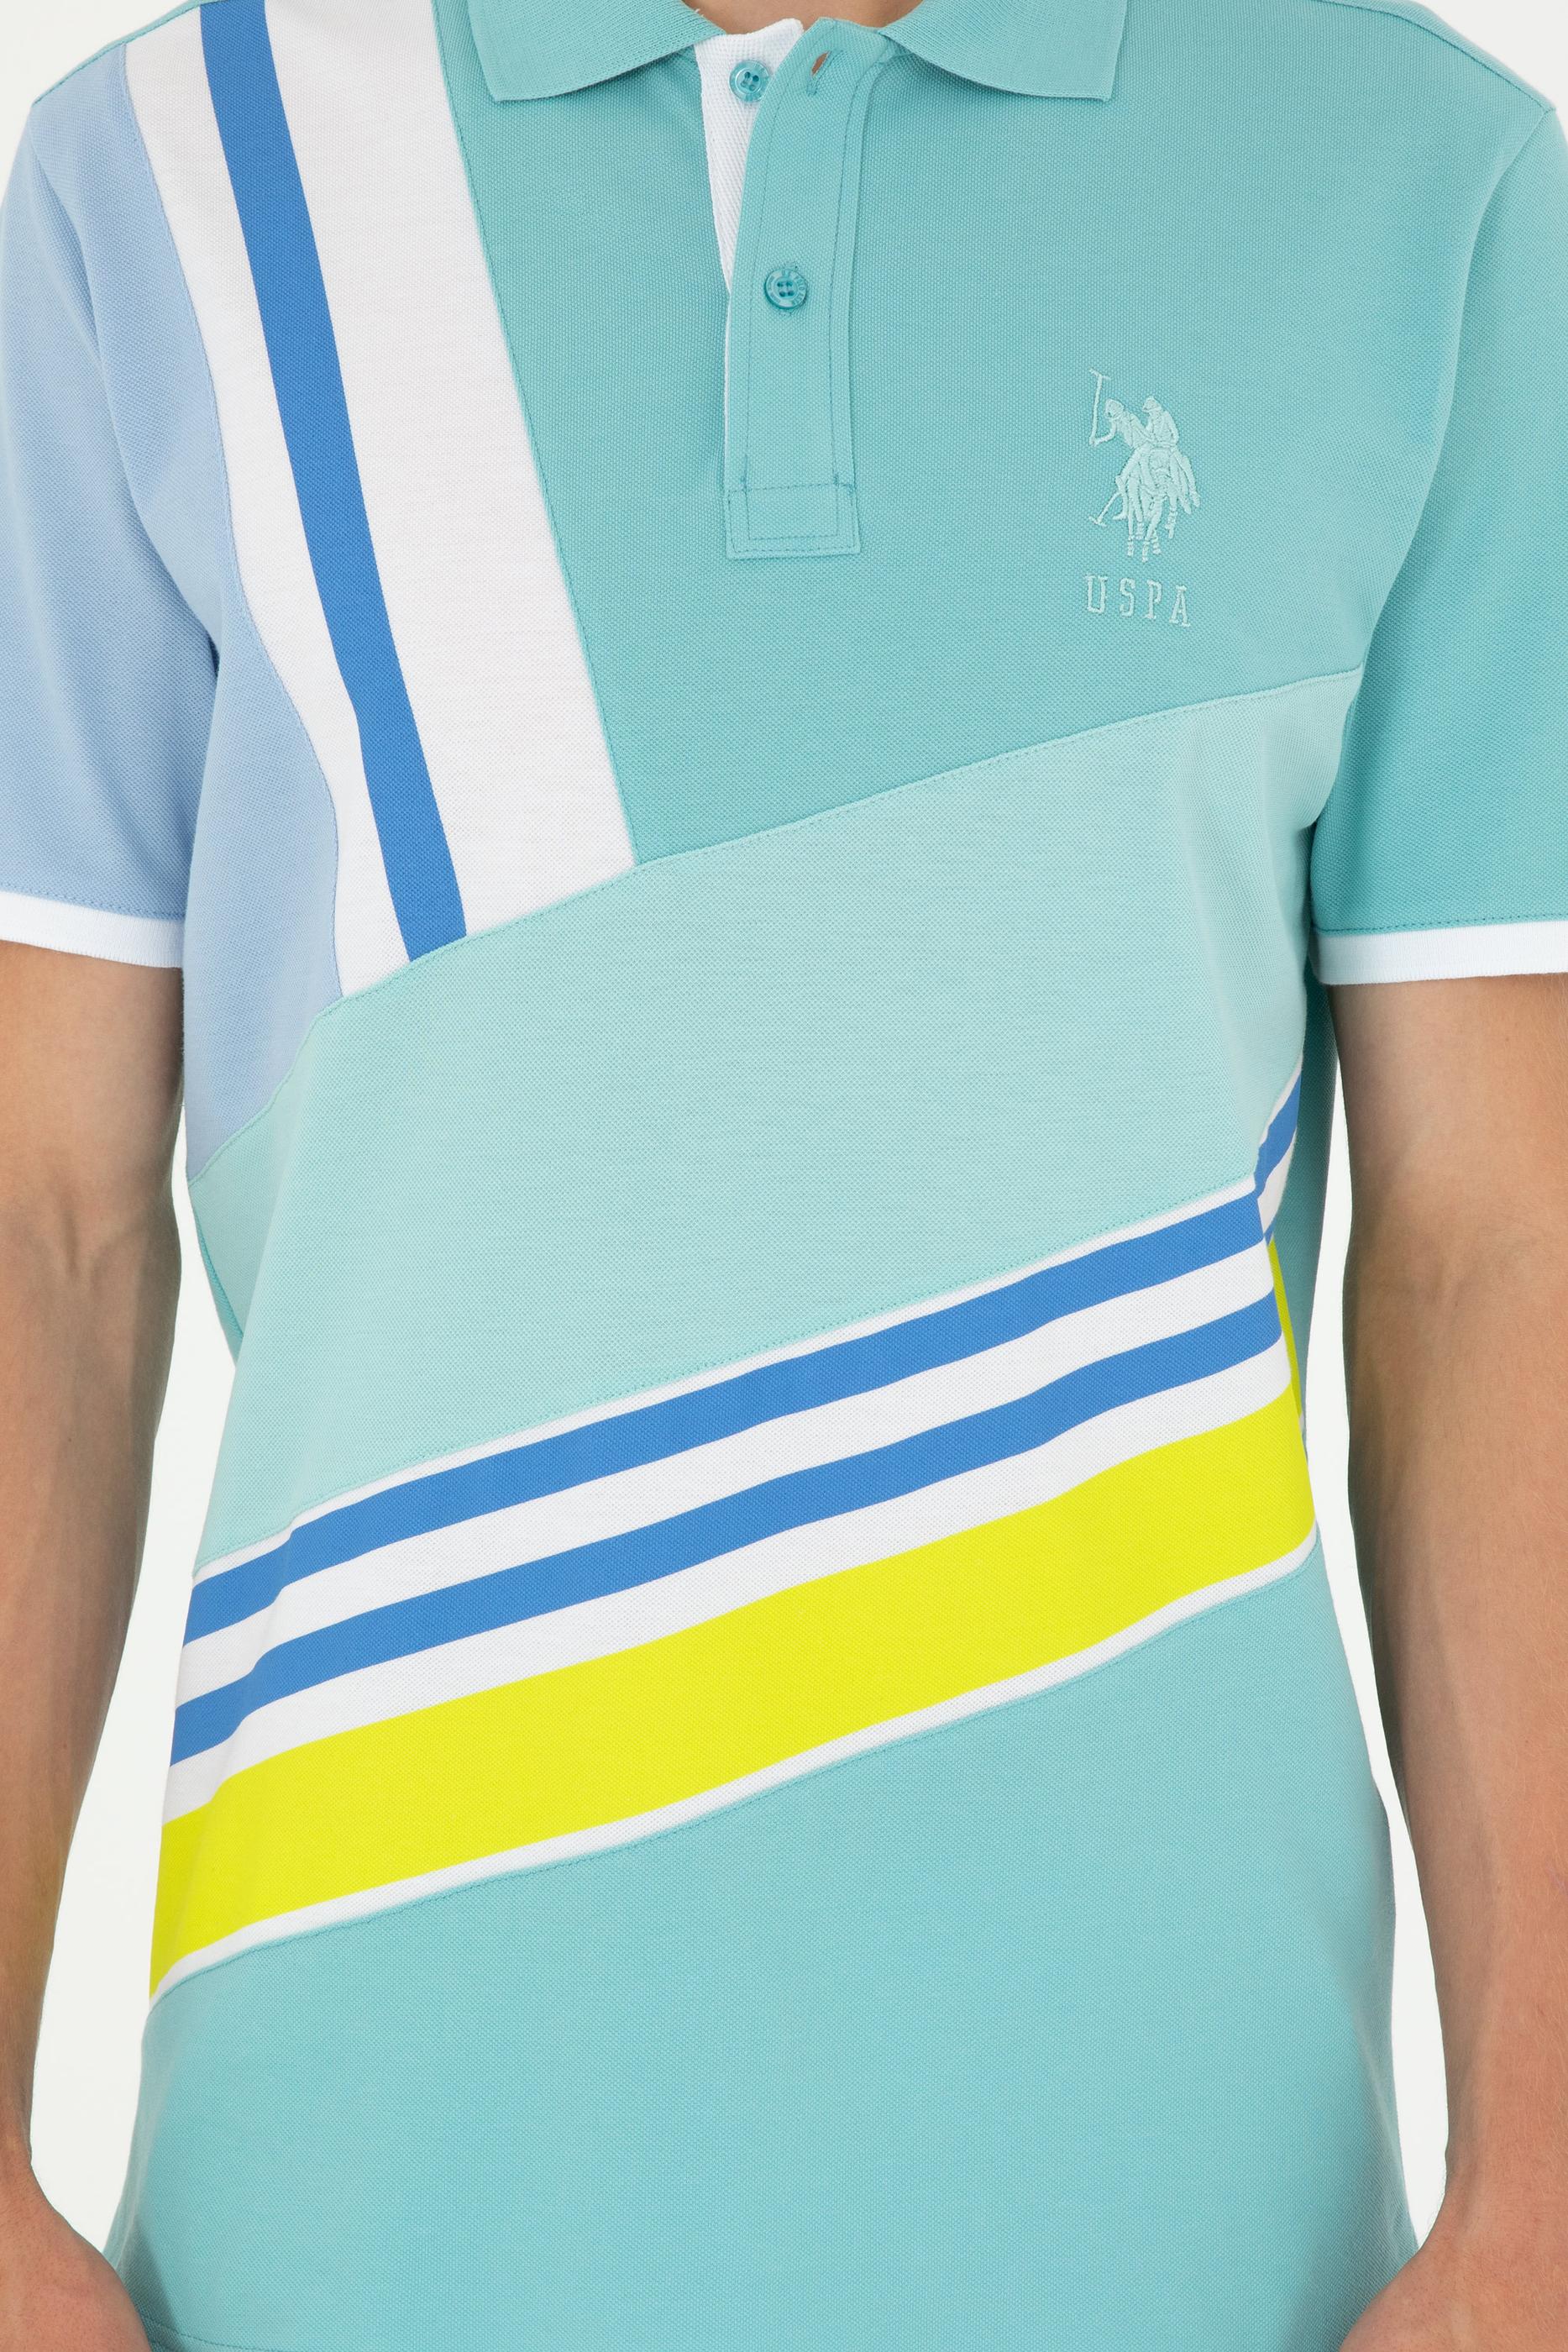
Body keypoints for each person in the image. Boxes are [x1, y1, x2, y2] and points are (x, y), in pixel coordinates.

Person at [1, 0, 1565, 2345]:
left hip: (1173, 2227)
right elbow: (42, 1224)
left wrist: (1542, 2192)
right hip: (350, 2222)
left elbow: (1495, 1254)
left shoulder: (1415, 174)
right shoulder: (166, 168)